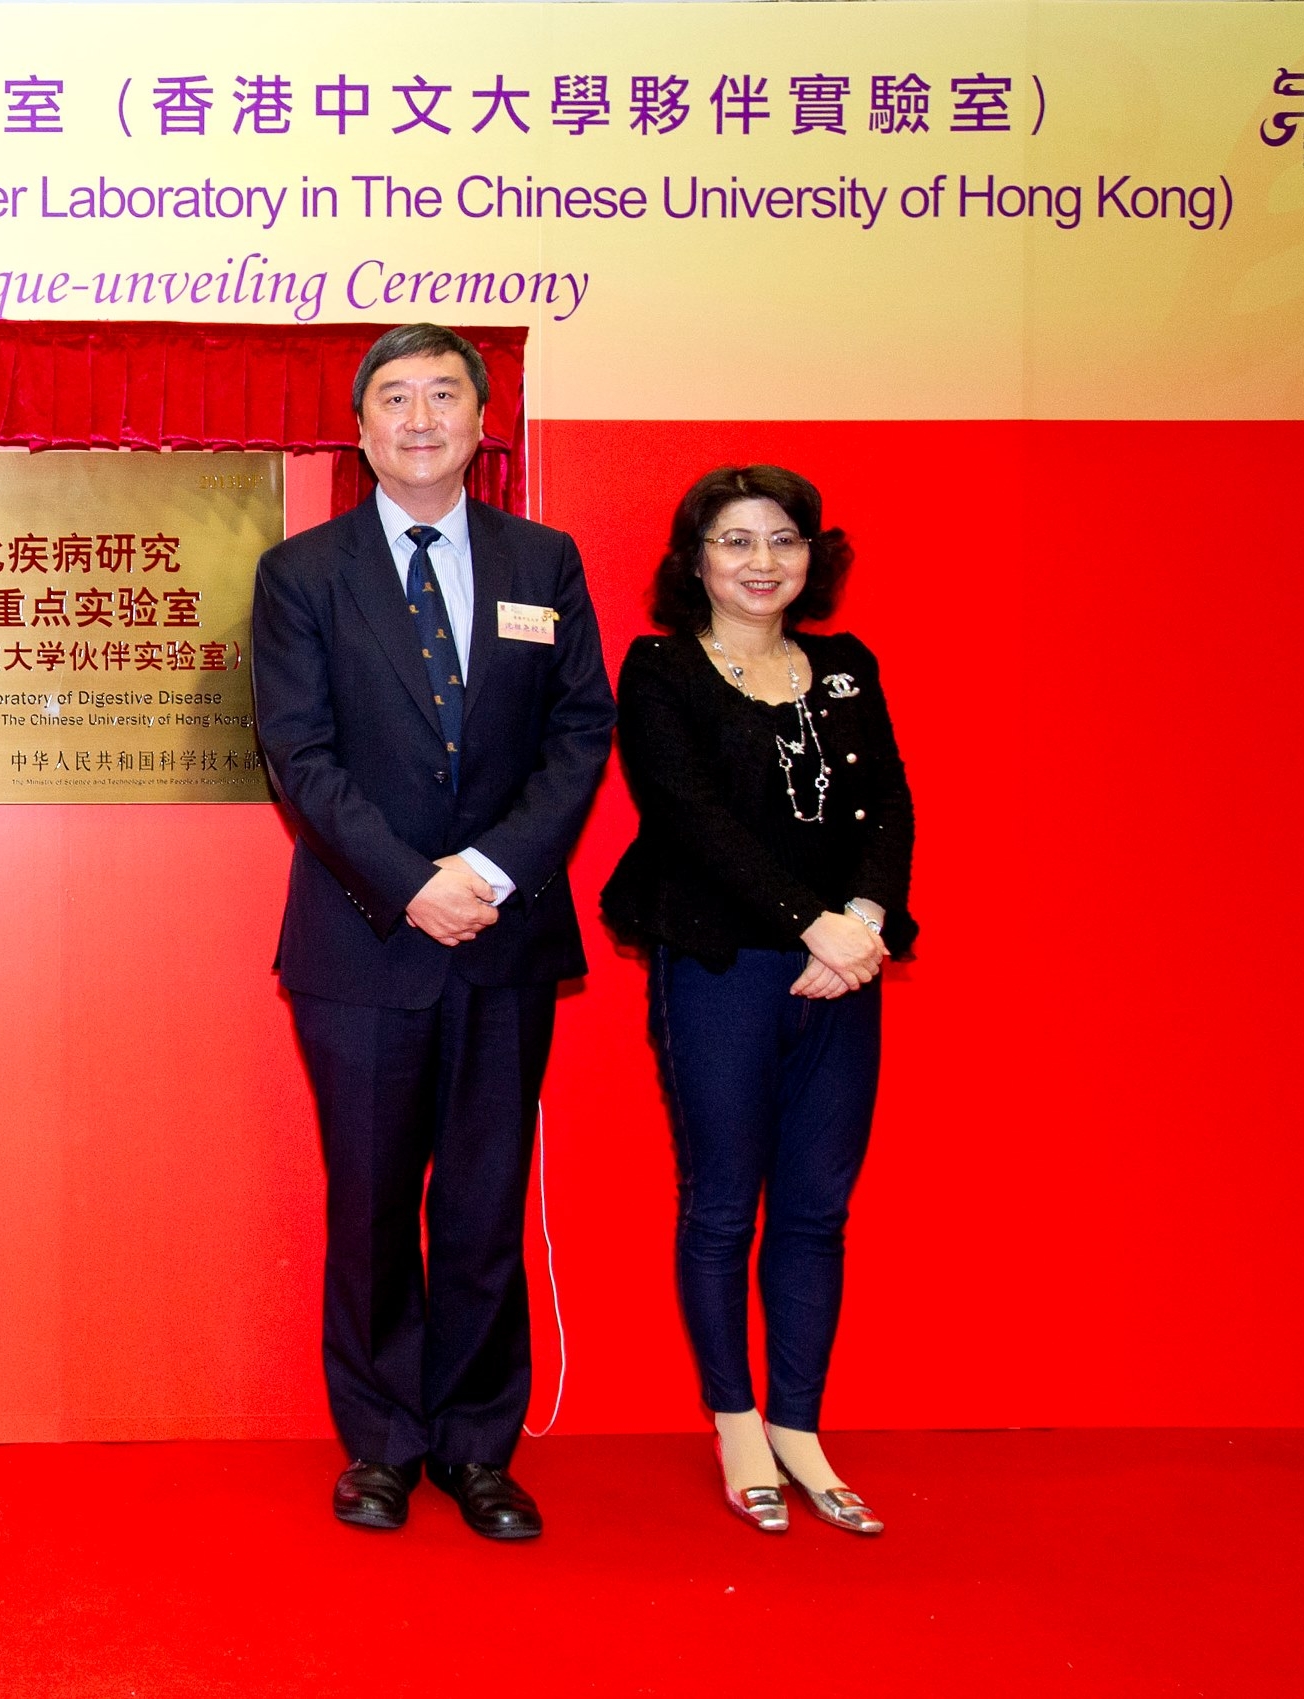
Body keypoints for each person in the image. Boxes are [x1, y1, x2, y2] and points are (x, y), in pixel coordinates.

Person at [249, 325, 616, 1539]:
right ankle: (383, 1443)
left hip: (504, 937)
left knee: (482, 1201)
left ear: (479, 421)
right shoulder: (304, 574)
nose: (419, 418)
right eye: (393, 399)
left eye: (443, 396)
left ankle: (474, 1445)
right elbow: (299, 756)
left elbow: (578, 738)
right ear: (358, 433)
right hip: (364, 939)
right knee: (369, 1205)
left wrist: (493, 872)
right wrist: (414, 882)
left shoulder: (543, 561)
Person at [601, 464, 914, 1537]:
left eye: (782, 539)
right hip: (722, 967)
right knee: (726, 1202)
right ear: (696, 561)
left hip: (845, 973)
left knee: (819, 1207)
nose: (761, 561)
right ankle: (737, 1423)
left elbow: (890, 810)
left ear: (810, 557)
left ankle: (800, 1425)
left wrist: (863, 923)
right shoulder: (661, 670)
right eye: (734, 541)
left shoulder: (845, 667)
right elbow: (689, 818)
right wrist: (809, 923)